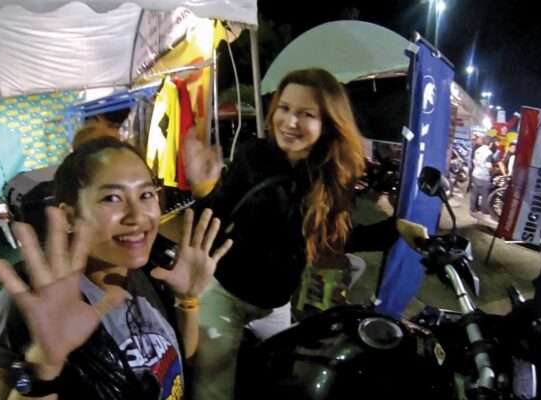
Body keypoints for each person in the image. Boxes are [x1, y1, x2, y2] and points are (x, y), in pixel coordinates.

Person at [179, 68, 425, 400]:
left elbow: (337, 239)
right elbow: (214, 216)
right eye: (284, 108)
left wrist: (394, 229)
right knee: (214, 391)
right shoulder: (254, 156)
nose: (289, 121)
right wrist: (203, 190)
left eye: (306, 114)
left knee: (282, 384)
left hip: (276, 305)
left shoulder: (333, 176)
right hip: (226, 295)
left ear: (328, 122)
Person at [0, 137, 233, 400]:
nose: (137, 216)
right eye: (112, 198)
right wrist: (42, 366)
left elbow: (176, 364)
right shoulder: (30, 301)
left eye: (146, 195)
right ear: (69, 216)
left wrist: (187, 301)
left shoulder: (147, 271)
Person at [470, 135, 494, 218]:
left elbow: (474, 160)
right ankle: (484, 211)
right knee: (485, 195)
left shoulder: (478, 150)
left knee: (474, 193)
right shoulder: (489, 152)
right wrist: (492, 170)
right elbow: (489, 166)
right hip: (483, 176)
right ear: (490, 143)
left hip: (475, 173)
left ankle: (473, 209)